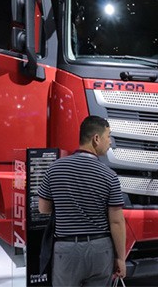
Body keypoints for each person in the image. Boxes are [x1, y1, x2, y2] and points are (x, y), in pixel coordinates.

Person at [37, 116, 126, 287]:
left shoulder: (54, 169)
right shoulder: (109, 176)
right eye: (108, 136)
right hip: (100, 249)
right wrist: (120, 258)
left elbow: (43, 208)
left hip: (66, 249)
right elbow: (116, 221)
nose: (110, 142)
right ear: (96, 138)